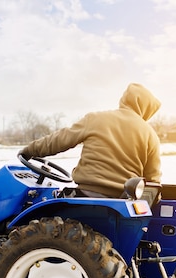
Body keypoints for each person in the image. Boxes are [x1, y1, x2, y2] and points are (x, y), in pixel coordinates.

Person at [19, 83, 162, 198]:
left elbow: (59, 140)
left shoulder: (96, 119)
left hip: (86, 193)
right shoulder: (151, 135)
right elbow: (153, 180)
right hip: (123, 198)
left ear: (124, 99)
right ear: (147, 109)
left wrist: (29, 150)